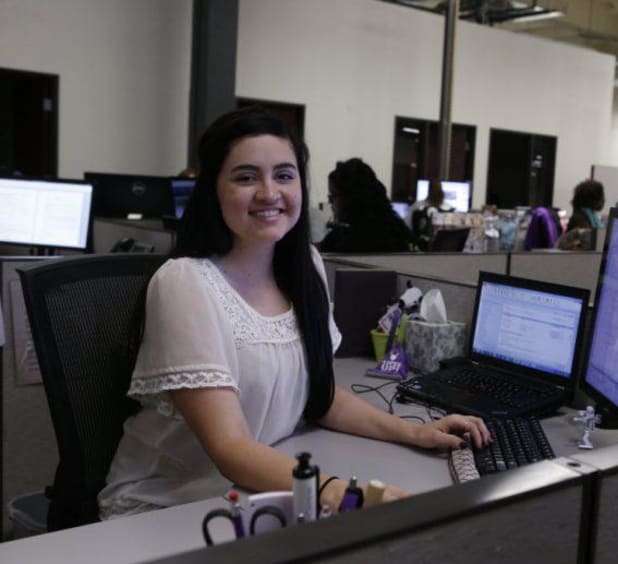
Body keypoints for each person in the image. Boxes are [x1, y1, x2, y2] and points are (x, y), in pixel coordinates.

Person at [98, 108, 489, 519]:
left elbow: (321, 398)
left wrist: (414, 432)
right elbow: (231, 450)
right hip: (172, 505)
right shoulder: (185, 282)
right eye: (246, 177)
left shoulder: (305, 265)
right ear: (213, 189)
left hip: (259, 489)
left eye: (284, 175)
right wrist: (346, 495)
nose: (269, 192)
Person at [318, 158, 418, 253]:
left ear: (350, 197)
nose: (330, 202)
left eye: (333, 196)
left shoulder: (350, 239)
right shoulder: (399, 230)